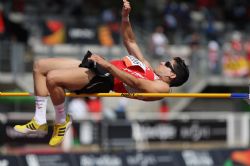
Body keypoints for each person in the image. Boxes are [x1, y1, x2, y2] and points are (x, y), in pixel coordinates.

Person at [14, 0, 189, 146]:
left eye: (167, 64)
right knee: (39, 66)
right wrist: (125, 18)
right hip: (100, 68)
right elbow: (130, 41)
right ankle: (39, 120)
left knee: (52, 78)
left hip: (104, 78)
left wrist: (108, 66)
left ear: (172, 75)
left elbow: (137, 84)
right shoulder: (149, 68)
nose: (162, 62)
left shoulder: (162, 88)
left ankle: (61, 121)